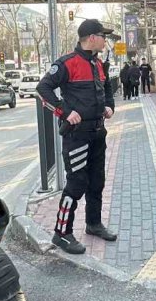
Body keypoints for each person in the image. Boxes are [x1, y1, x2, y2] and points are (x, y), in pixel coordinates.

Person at [37, 19, 119, 254]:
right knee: (76, 184)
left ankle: (93, 224)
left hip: (97, 133)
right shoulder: (67, 63)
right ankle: (61, 233)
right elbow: (42, 89)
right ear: (92, 38)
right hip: (77, 137)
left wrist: (109, 106)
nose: (106, 40)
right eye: (104, 36)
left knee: (97, 182)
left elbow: (107, 89)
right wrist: (64, 111)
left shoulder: (99, 63)